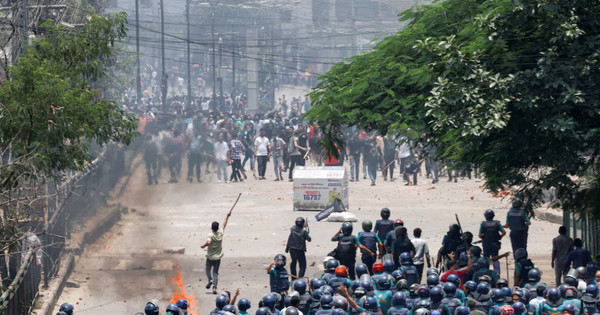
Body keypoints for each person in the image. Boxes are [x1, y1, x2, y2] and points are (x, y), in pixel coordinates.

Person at [201, 210, 231, 294]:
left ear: (211, 228)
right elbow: (224, 225)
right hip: (218, 257)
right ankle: (214, 288)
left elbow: (209, 242)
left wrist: (204, 246)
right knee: (215, 273)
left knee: (207, 270)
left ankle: (210, 280)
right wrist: (227, 216)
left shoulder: (210, 235)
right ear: (217, 228)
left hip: (210, 257)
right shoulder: (220, 234)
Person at [478, 209, 506, 275]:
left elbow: (480, 235)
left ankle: (486, 273)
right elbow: (504, 232)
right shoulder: (497, 223)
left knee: (486, 259)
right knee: (495, 259)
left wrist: (484, 237)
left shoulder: (483, 224)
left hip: (486, 244)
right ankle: (497, 274)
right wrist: (500, 237)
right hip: (495, 244)